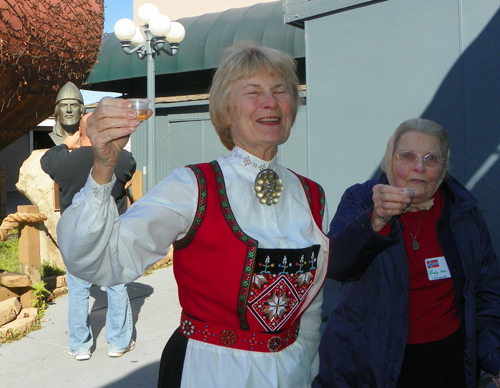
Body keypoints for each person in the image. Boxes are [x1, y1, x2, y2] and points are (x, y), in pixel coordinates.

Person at [56, 41, 329, 387]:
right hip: (208, 371)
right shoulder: (193, 185)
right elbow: (100, 260)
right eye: (253, 91)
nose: (271, 102)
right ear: (225, 110)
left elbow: (311, 308)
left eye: (281, 91)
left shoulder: (313, 196)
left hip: (290, 373)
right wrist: (102, 169)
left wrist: (305, 361)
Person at [314, 118, 500, 388]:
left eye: (431, 158)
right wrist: (375, 220)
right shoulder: (362, 200)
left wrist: (495, 360)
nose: (419, 167)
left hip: (448, 362)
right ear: (389, 160)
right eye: (407, 156)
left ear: (443, 167)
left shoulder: (463, 211)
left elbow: (486, 294)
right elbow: (338, 266)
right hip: (371, 363)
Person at [41, 112, 137, 361]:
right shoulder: (123, 159)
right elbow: (128, 170)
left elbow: (47, 160)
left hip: (77, 236)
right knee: (116, 287)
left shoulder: (64, 161)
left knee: (78, 290)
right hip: (112, 232)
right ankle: (118, 343)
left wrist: (67, 143)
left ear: (81, 132)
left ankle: (80, 346)